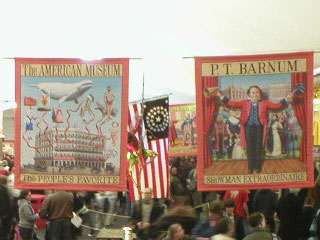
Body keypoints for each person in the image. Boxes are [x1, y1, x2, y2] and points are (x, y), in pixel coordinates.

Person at [216, 86, 292, 173]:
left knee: (258, 147)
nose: (255, 94)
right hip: (248, 128)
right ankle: (250, 167)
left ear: (260, 94)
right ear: (249, 94)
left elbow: (276, 106)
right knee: (250, 148)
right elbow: (231, 103)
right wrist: (221, 96)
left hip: (259, 128)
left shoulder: (264, 103)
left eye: (256, 92)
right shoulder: (245, 103)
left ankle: (258, 166)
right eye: (253, 92)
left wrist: (286, 98)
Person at [0, 175, 14, 240]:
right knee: (4, 231)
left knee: (5, 231)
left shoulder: (4, 189)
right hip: (6, 214)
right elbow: (3, 202)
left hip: (7, 214)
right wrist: (4, 214)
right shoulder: (2, 189)